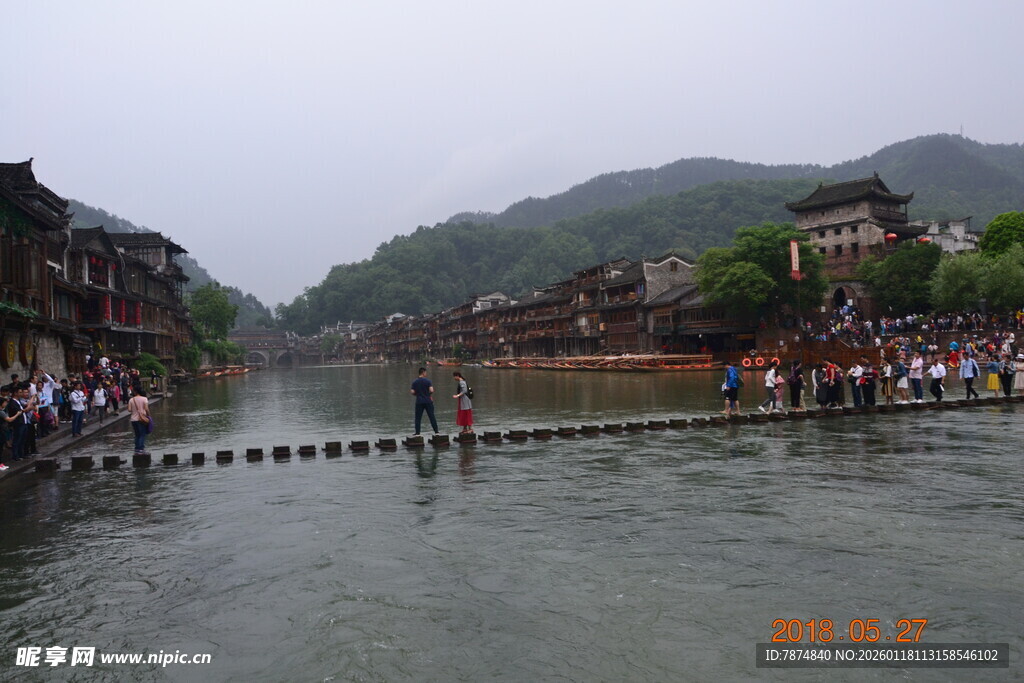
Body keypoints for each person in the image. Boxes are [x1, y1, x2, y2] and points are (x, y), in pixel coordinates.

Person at [410, 367, 439, 436]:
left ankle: (417, 433)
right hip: (428, 401)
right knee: (431, 416)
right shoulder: (428, 381)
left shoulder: (415, 382)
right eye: (425, 372)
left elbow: (412, 392)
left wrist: (417, 394)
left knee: (418, 418)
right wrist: (428, 394)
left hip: (419, 401)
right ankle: (436, 432)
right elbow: (431, 390)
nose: (426, 373)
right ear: (423, 372)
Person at [127, 387, 151, 455]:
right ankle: (141, 449)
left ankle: (137, 449)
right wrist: (149, 416)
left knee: (137, 435)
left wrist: (134, 409)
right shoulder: (144, 399)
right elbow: (146, 409)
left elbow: (129, 410)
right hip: (141, 419)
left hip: (133, 419)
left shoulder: (131, 400)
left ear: (135, 392)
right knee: (142, 434)